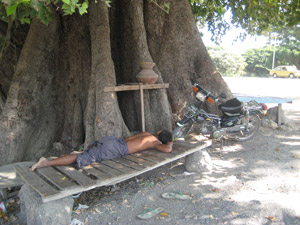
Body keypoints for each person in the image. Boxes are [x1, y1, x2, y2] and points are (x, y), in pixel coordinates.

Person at [31, 130, 173, 171]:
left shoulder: (147, 134)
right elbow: (167, 150)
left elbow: (130, 138)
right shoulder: (154, 142)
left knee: (85, 154)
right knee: (80, 158)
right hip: (116, 148)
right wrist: (170, 142)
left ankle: (72, 155)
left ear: (159, 131)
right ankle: (46, 163)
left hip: (113, 140)